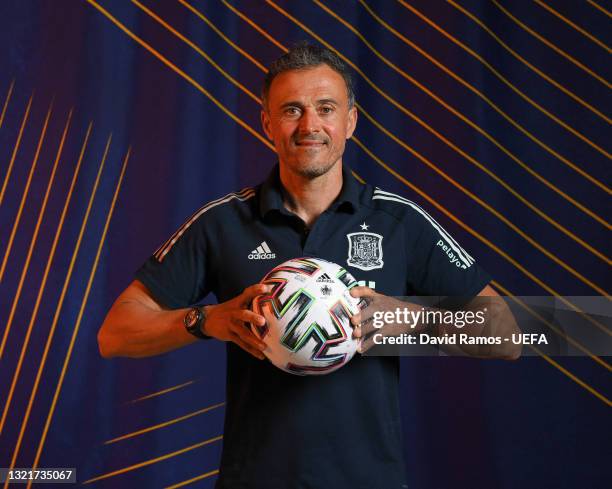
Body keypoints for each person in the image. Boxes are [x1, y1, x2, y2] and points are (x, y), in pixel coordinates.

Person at [98, 43, 520, 489]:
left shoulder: (399, 221)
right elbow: (115, 332)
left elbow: (509, 334)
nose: (310, 125)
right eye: (291, 110)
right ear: (267, 124)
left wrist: (409, 319)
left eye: (325, 108)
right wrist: (208, 320)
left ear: (350, 122)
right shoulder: (221, 222)